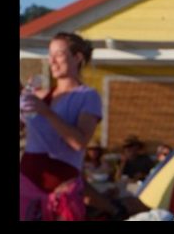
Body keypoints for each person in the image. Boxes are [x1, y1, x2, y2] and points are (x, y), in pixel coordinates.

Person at [19, 32, 102, 220]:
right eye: (50, 55)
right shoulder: (40, 96)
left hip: (61, 189)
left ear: (77, 57)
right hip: (27, 184)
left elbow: (80, 142)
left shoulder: (88, 96)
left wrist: (47, 112)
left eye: (59, 54)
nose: (52, 61)